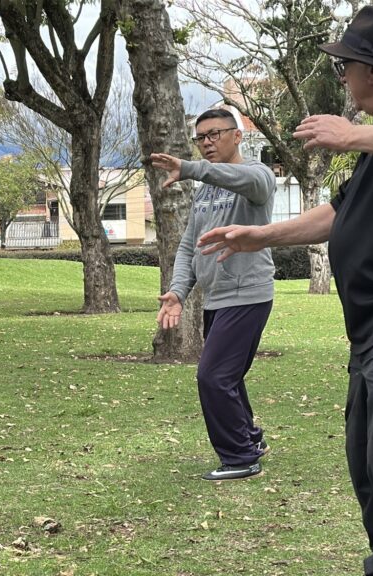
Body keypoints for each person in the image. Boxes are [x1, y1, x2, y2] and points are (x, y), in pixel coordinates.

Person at [199, 6, 373, 575]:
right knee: (368, 459)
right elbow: (338, 214)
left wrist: (352, 135)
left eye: (347, 66)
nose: (343, 78)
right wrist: (260, 236)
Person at [149, 108, 275, 481]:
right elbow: (189, 246)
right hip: (216, 297)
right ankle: (250, 439)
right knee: (229, 376)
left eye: (215, 134)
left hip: (247, 293)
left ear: (237, 136)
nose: (206, 142)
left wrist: (190, 168)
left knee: (213, 376)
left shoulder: (258, 176)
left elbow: (248, 181)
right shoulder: (205, 193)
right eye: (200, 137)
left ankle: (240, 458)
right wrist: (177, 292)